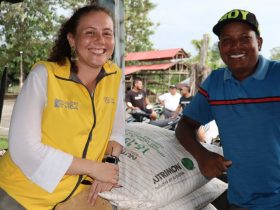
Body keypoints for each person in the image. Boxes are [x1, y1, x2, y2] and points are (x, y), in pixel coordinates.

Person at [0, 5, 125, 209]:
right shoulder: (45, 75)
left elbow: (117, 130)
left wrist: (109, 163)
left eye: (107, 33)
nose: (100, 40)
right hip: (20, 193)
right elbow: (24, 149)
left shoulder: (115, 76)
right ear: (72, 40)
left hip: (72, 195)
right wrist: (94, 169)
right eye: (90, 33)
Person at [176, 9, 280, 210]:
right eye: (227, 40)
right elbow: (185, 126)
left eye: (244, 38)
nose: (235, 46)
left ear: (259, 42)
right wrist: (203, 155)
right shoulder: (215, 83)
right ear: (220, 46)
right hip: (241, 202)